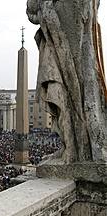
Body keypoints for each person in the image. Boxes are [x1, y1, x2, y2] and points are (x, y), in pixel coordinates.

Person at [27, 0, 107, 164]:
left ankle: (78, 148)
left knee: (74, 89)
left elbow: (32, 8)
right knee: (69, 91)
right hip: (61, 30)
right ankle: (73, 146)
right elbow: (32, 9)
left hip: (70, 29)